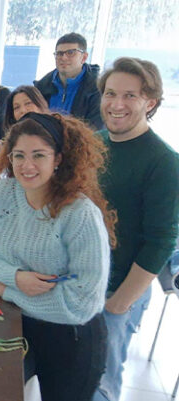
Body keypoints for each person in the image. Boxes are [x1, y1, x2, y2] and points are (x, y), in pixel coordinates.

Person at [0, 112, 114, 401]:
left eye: (39, 155)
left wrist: (6, 289)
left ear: (58, 159)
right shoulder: (0, 194)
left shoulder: (79, 214)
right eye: (19, 155)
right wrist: (16, 277)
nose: (27, 166)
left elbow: (82, 302)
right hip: (16, 326)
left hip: (71, 337)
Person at [93, 57, 179, 401]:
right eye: (111, 93)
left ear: (150, 102)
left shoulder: (164, 162)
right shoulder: (95, 144)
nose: (116, 104)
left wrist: (119, 303)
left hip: (118, 291)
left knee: (102, 382)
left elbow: (160, 242)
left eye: (130, 96)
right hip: (80, 283)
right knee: (73, 373)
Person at [34, 33, 102, 129]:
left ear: (84, 57)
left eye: (70, 53)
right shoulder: (41, 88)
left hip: (81, 142)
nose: (63, 58)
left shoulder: (97, 89)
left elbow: (95, 130)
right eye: (59, 53)